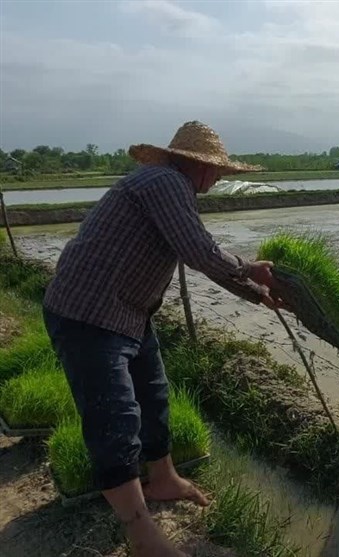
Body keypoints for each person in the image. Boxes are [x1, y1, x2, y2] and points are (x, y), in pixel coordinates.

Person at [42, 121, 284, 557]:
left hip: (129, 312)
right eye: (218, 171)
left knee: (153, 396)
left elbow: (200, 255)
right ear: (200, 165)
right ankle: (143, 536)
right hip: (88, 313)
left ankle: (164, 478)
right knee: (115, 416)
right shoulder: (165, 182)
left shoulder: (169, 186)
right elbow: (200, 250)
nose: (218, 178)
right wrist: (250, 268)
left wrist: (258, 294)